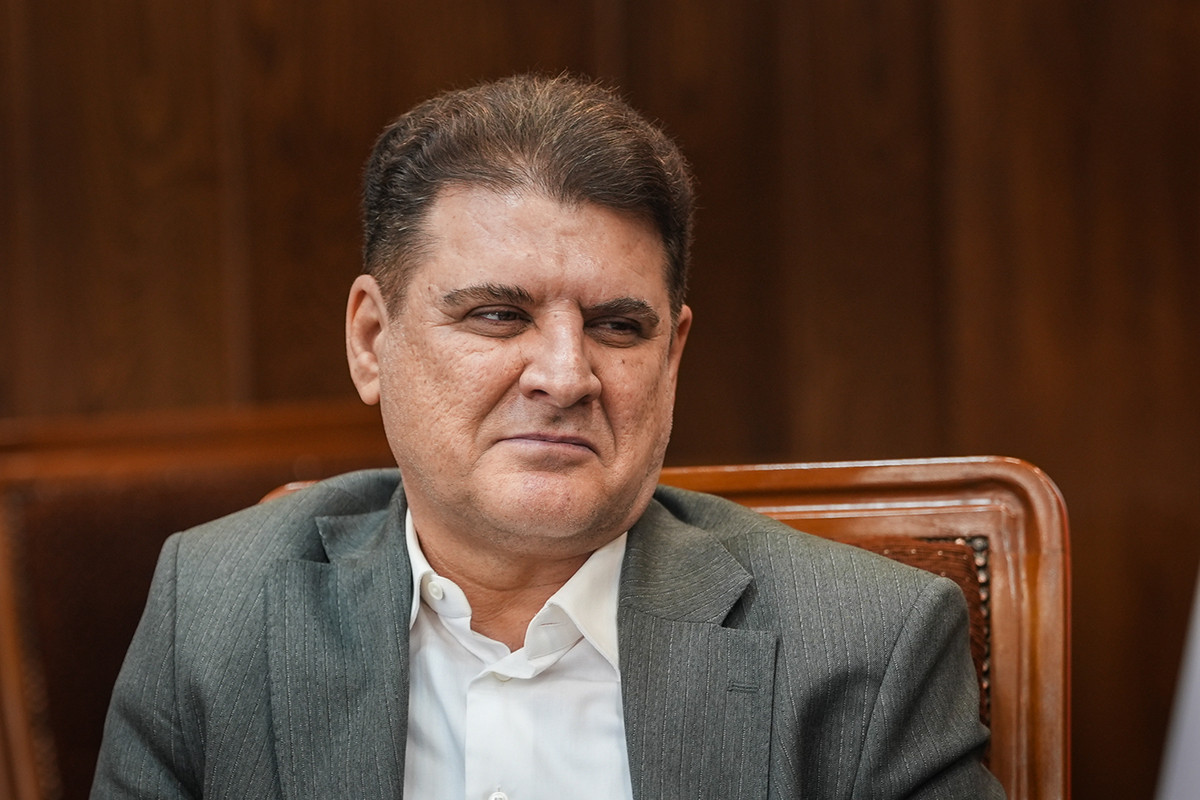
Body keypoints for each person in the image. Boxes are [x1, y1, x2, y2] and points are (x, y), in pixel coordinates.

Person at [91, 74, 1004, 799]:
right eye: (498, 315)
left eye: (618, 326)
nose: (566, 377)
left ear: (672, 357)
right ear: (372, 341)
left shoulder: (864, 649)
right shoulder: (213, 611)